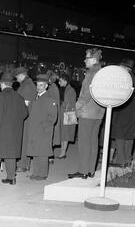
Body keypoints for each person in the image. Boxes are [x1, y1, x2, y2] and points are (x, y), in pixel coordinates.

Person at [69, 48, 105, 179]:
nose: (85, 60)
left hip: (87, 112)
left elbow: (86, 94)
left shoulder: (91, 74)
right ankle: (90, 170)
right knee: (93, 141)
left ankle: (83, 170)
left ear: (94, 60)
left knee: (84, 142)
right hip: (99, 112)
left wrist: (77, 108)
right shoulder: (101, 73)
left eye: (87, 58)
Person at [26, 74, 58, 180]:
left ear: (46, 86)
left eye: (41, 85)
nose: (38, 87)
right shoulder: (36, 97)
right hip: (34, 129)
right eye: (37, 85)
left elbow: (53, 117)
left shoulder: (50, 99)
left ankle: (42, 174)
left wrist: (43, 126)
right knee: (35, 152)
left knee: (43, 153)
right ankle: (36, 172)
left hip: (44, 130)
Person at [110, 59, 135, 167]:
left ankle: (121, 161)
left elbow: (121, 94)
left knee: (119, 134)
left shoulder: (126, 78)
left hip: (124, 109)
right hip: (132, 110)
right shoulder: (133, 76)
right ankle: (127, 160)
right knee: (129, 135)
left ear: (125, 68)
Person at [14, 67, 37, 172]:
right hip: (27, 116)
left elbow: (25, 105)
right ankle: (24, 163)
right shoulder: (27, 84)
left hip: (25, 118)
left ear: (22, 75)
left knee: (24, 141)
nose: (16, 79)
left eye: (17, 77)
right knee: (24, 140)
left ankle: (23, 164)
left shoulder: (27, 86)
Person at [58, 74, 77, 159]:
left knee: (65, 134)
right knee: (63, 134)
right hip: (65, 113)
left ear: (65, 81)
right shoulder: (65, 89)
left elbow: (70, 103)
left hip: (67, 114)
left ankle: (63, 153)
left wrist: (59, 104)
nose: (59, 82)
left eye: (60, 81)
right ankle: (62, 151)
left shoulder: (70, 90)